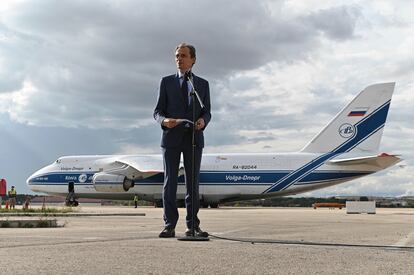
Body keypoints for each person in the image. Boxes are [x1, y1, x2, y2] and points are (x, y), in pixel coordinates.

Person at [154, 43, 211, 238]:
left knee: (192, 184)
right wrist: (164, 121)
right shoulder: (166, 82)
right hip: (171, 138)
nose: (179, 59)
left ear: (193, 59)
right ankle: (169, 225)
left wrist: (203, 121)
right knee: (169, 182)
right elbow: (157, 112)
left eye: (184, 56)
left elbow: (207, 111)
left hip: (194, 138)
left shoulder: (202, 84)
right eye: (177, 56)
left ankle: (192, 226)